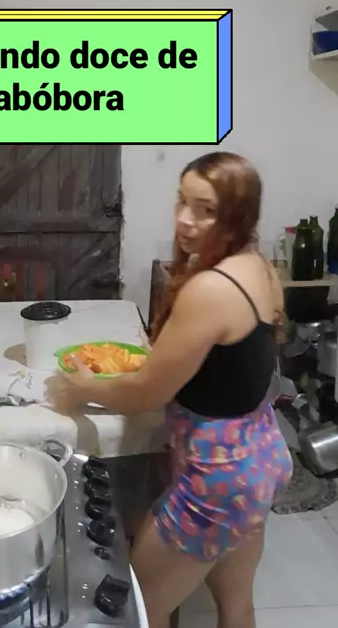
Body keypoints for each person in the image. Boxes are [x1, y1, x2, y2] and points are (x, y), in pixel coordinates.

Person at [48, 152, 293, 628]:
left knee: (142, 607)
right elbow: (223, 365)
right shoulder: (260, 267)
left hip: (218, 479)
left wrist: (82, 388)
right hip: (260, 457)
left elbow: (147, 393)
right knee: (236, 603)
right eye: (182, 201)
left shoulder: (212, 288)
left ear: (238, 216)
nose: (184, 219)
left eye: (206, 209)